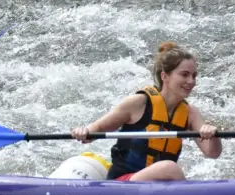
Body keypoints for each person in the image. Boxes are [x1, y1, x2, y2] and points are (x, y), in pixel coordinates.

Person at [71, 42, 221, 181]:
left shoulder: (190, 113)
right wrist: (85, 131)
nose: (191, 81)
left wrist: (213, 136)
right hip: (123, 183)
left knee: (168, 169)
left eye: (194, 76)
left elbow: (212, 153)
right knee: (169, 168)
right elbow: (97, 128)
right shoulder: (139, 103)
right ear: (165, 76)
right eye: (184, 74)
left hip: (157, 185)